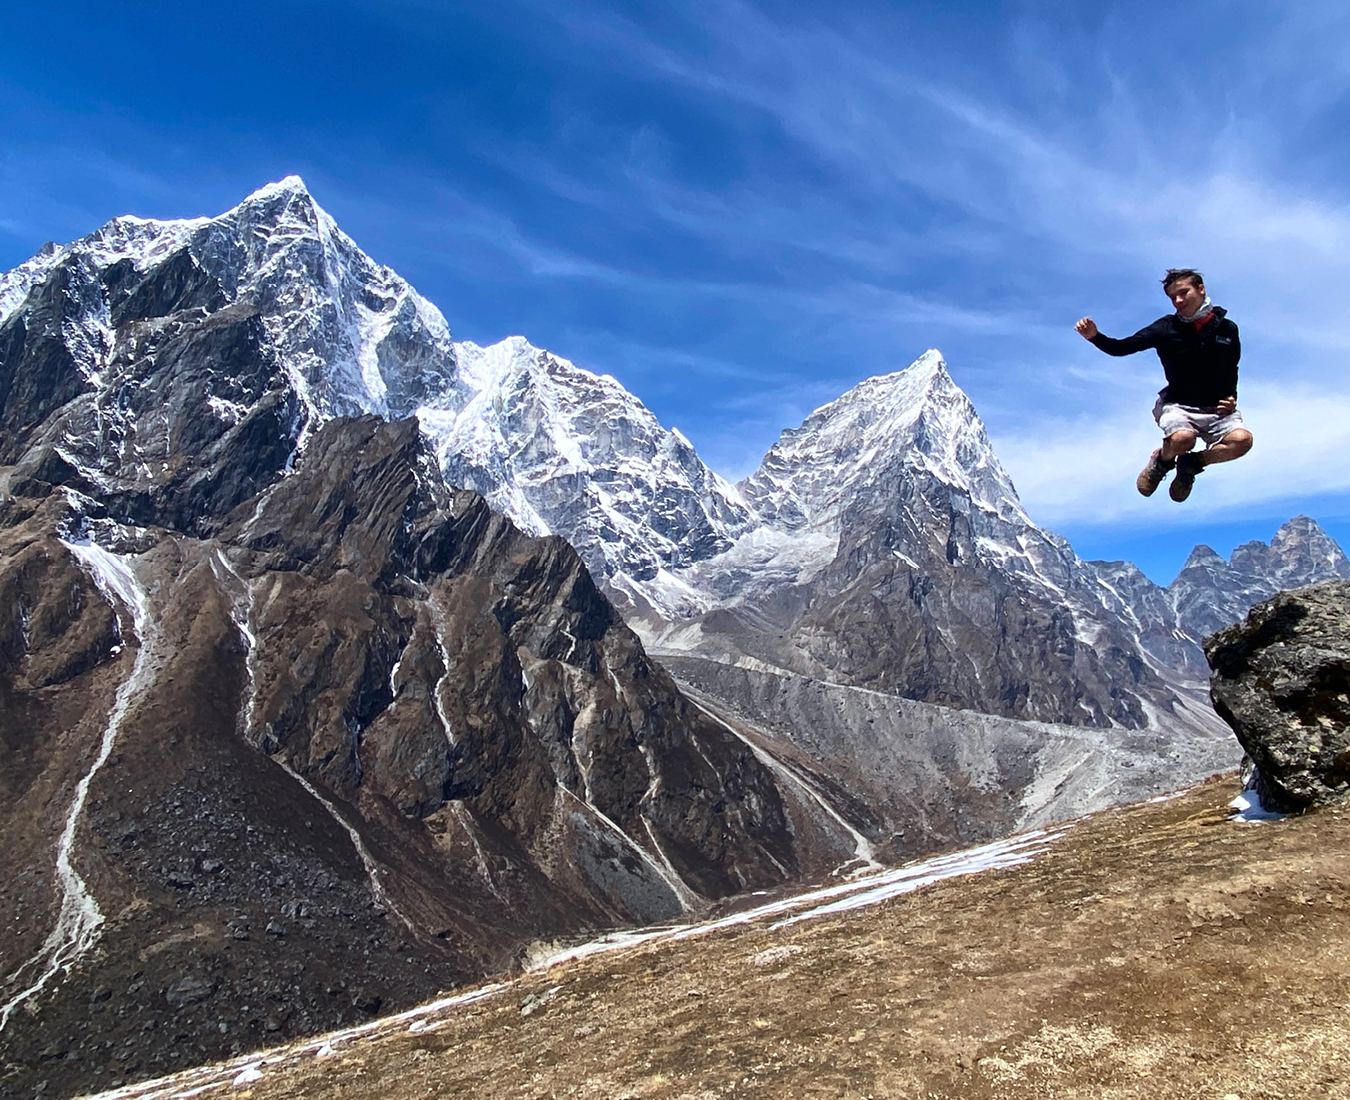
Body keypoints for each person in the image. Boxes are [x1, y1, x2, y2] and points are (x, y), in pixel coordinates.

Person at [1075, 269, 1253, 502]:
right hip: (1177, 404)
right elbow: (1122, 347)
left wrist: (1231, 396)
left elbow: (1232, 365)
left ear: (1201, 289)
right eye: (1172, 297)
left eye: (1183, 293)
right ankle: (1162, 462)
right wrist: (1095, 336)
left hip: (1214, 408)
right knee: (1182, 439)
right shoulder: (1166, 328)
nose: (1178, 301)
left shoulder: (1228, 329)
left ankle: (1191, 464)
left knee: (1242, 441)